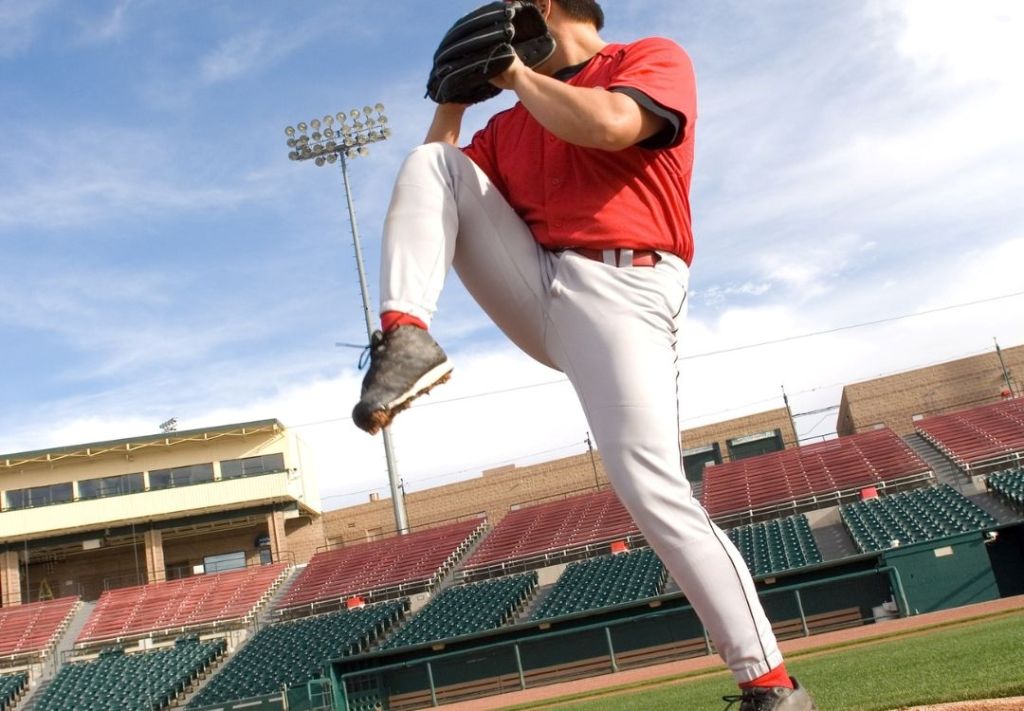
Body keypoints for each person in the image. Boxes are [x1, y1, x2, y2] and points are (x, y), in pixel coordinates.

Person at [352, 1, 816, 709]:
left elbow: (610, 124)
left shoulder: (648, 57)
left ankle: (772, 686)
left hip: (625, 289)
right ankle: (406, 333)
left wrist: (510, 71)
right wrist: (449, 99)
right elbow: (436, 182)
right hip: (538, 285)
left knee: (650, 488)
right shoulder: (509, 123)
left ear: (542, 8)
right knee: (431, 161)